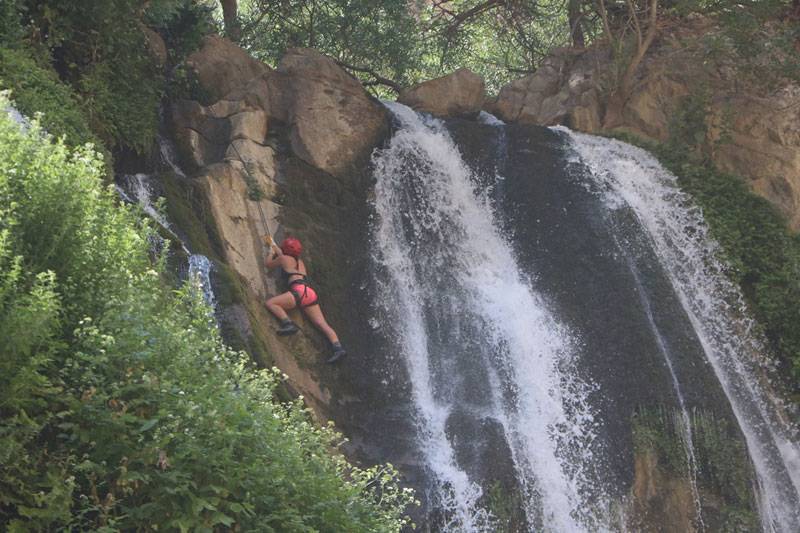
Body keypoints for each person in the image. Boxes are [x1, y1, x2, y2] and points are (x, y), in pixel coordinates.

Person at [264, 236, 347, 363]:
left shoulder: (283, 258)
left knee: (271, 303)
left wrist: (271, 252)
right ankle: (338, 347)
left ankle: (288, 323)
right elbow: (286, 258)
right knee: (322, 324)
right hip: (309, 292)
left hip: (298, 291)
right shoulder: (300, 262)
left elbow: (268, 264)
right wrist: (273, 244)